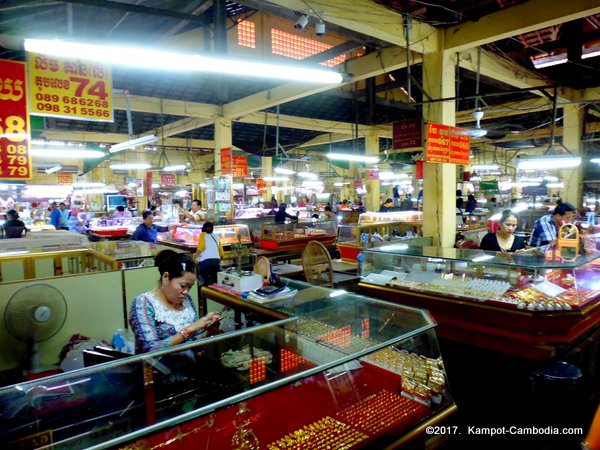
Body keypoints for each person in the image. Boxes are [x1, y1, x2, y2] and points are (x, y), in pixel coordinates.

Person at [129, 250, 221, 353]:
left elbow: (194, 339)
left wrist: (207, 329)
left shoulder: (187, 301)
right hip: (158, 368)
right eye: (182, 286)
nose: (186, 292)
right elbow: (150, 349)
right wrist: (188, 330)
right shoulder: (144, 303)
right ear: (166, 277)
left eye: (190, 287)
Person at [193, 222, 224, 286]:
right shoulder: (217, 237)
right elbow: (221, 253)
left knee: (200, 276)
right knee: (215, 281)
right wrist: (218, 261)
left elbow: (201, 248)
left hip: (205, 262)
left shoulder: (202, 235)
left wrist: (194, 258)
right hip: (216, 262)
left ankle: (203, 291)